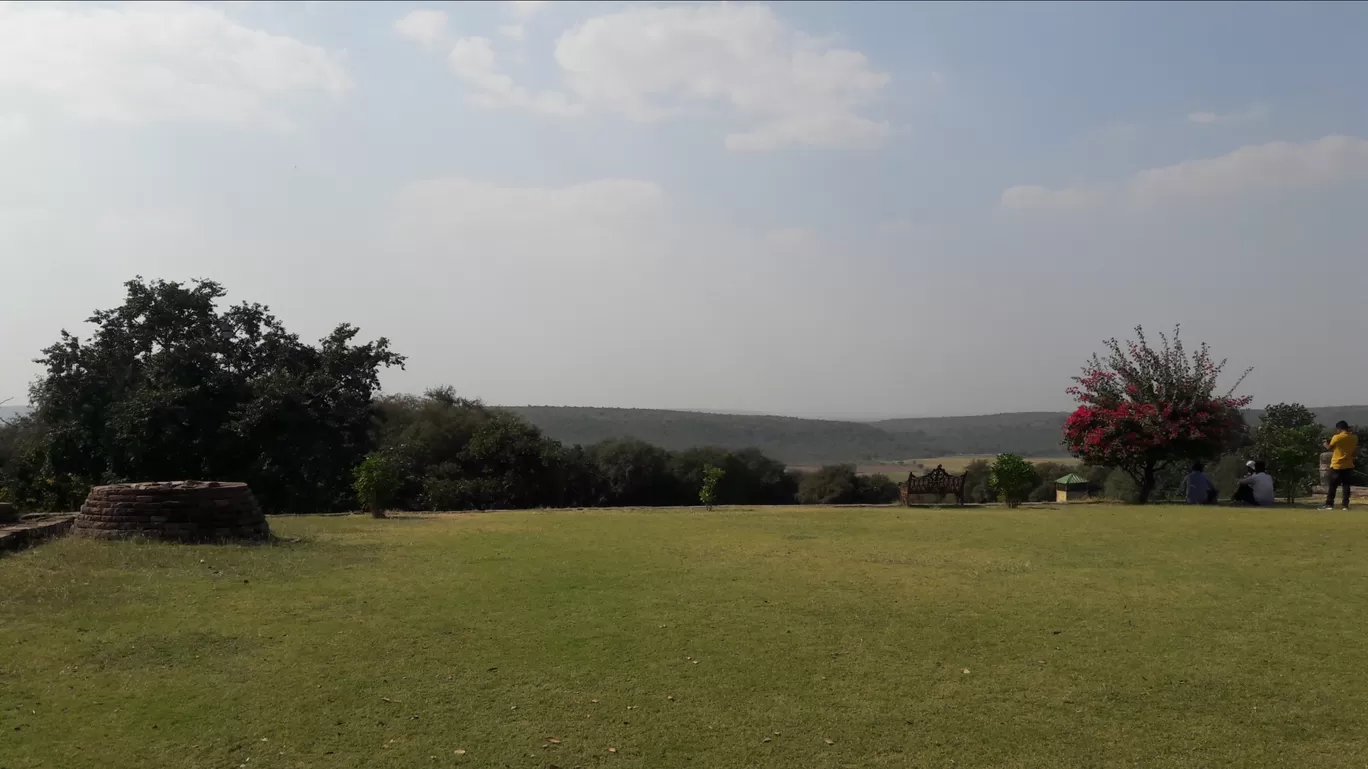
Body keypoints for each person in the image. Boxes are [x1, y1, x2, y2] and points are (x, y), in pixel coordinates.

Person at [1321, 421, 1358, 510]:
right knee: (1346, 486)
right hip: (1348, 464)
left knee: (1333, 486)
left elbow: (1330, 447)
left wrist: (1325, 443)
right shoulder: (1354, 437)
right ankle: (1345, 505)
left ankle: (1329, 504)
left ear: (1339, 429)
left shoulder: (1337, 437)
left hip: (1337, 464)